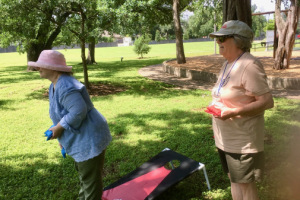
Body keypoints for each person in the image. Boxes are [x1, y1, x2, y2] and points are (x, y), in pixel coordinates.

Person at [28, 50, 112, 200]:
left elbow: (79, 111)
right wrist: (59, 134)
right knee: (85, 178)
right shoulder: (54, 85)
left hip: (89, 137)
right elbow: (61, 113)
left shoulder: (65, 85)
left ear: (53, 68)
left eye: (41, 65)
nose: (37, 68)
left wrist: (59, 128)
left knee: (90, 181)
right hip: (82, 136)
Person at [208, 20, 274, 200]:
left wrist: (234, 112)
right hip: (226, 138)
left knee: (246, 186)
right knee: (233, 179)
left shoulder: (249, 65)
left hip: (242, 140)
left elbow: (267, 101)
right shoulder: (228, 63)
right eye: (217, 38)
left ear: (238, 40)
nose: (218, 42)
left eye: (223, 38)